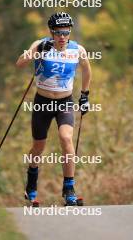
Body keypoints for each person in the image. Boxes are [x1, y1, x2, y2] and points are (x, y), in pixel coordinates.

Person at [16, 12, 92, 206]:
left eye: (66, 32)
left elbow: (86, 69)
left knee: (66, 138)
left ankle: (69, 189)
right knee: (38, 147)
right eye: (58, 33)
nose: (62, 37)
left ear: (70, 32)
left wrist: (85, 95)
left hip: (65, 102)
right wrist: (38, 50)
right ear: (51, 32)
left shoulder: (78, 50)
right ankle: (31, 185)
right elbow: (20, 64)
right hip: (42, 102)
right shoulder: (40, 44)